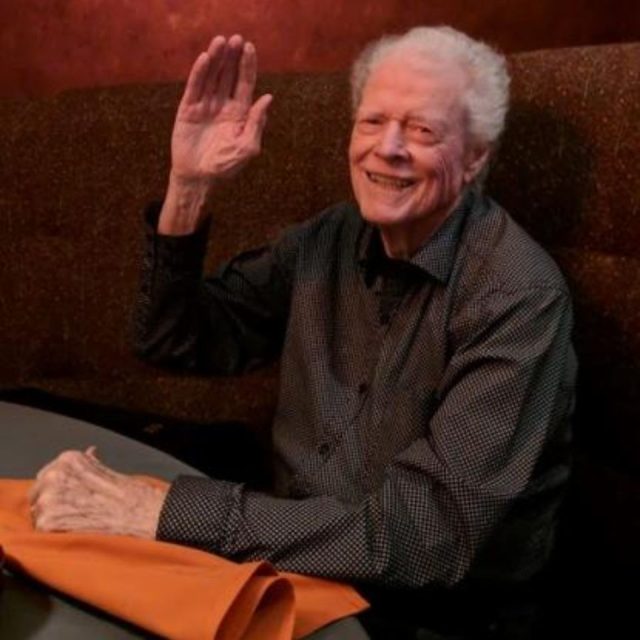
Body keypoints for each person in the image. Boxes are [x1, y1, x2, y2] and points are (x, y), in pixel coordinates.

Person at [29, 27, 577, 638]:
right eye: (372, 122)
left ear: (476, 156)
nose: (387, 148)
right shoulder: (330, 237)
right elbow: (176, 341)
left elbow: (426, 537)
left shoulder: (518, 295)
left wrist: (163, 511)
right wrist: (189, 188)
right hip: (291, 567)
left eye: (422, 131)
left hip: (422, 618)